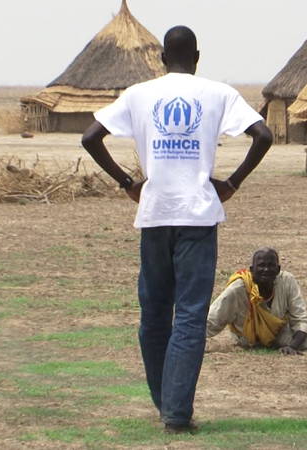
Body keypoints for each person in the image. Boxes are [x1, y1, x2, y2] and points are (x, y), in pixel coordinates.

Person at [81, 26, 273, 434]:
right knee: (188, 316)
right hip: (199, 219)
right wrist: (232, 182)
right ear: (197, 57)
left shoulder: (139, 94)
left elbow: (90, 136)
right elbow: (264, 135)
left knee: (153, 316)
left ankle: (165, 403)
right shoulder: (219, 93)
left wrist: (127, 183)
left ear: (161, 59)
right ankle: (176, 412)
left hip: (155, 216)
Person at [207, 248, 307, 355]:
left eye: (271, 265)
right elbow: (212, 319)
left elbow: (300, 319)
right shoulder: (238, 288)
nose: (266, 270)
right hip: (250, 338)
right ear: (252, 270)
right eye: (261, 266)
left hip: (281, 331)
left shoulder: (287, 280)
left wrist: (292, 347)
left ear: (278, 269)